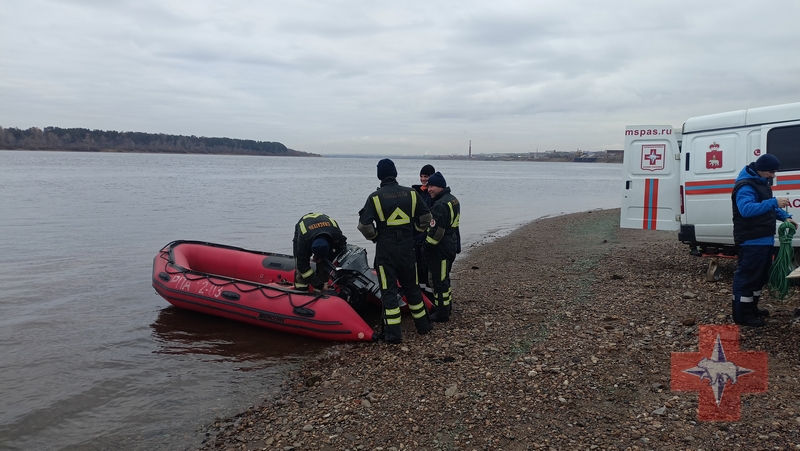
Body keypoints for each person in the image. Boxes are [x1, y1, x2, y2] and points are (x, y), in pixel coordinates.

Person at [358, 158, 434, 343]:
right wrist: (414, 232)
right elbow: (426, 218)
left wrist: (376, 237)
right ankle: (423, 327)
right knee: (413, 288)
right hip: (408, 249)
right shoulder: (412, 193)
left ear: (379, 175)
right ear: (395, 173)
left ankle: (393, 335)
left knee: (389, 291)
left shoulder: (375, 198)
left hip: (386, 250)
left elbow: (364, 226)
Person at [731, 154, 796, 327]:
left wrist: (785, 217)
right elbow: (746, 210)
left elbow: (766, 207)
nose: (773, 175)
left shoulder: (761, 183)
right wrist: (775, 202)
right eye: (771, 171)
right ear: (761, 170)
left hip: (764, 239)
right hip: (751, 240)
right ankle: (742, 315)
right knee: (747, 278)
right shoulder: (746, 186)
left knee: (759, 278)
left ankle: (751, 309)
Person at [423, 171, 460, 322]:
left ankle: (442, 313)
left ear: (440, 187)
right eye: (428, 186)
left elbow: (437, 232)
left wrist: (426, 247)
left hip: (441, 248)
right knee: (444, 278)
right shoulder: (452, 199)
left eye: (431, 186)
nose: (429, 189)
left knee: (439, 280)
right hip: (451, 243)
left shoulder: (440, 204)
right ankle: (446, 307)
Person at [292, 213, 347, 292]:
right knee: (301, 273)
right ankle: (301, 290)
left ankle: (320, 291)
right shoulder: (304, 241)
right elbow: (302, 266)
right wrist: (320, 285)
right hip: (305, 229)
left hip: (325, 228)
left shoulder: (336, 234)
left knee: (325, 266)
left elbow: (341, 248)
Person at [412, 164, 436, 301]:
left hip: (426, 236)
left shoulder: (432, 194)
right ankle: (421, 296)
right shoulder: (418, 192)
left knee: (427, 269)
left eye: (425, 176)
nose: (422, 179)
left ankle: (430, 297)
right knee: (419, 268)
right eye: (421, 176)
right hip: (417, 237)